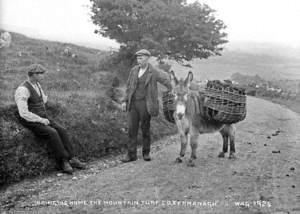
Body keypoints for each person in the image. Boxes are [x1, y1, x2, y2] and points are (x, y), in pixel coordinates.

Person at [14, 64, 86, 174]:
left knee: (61, 130)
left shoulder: (37, 85)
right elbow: (23, 113)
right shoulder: (22, 89)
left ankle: (72, 158)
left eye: (42, 74)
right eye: (39, 74)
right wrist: (41, 120)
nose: (42, 76)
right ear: (32, 75)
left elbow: (43, 99)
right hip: (29, 120)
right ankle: (63, 161)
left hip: (42, 116)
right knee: (52, 133)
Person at [121, 49, 172, 162]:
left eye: (142, 58)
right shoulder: (134, 70)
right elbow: (129, 87)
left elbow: (166, 80)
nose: (139, 60)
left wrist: (170, 89)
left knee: (145, 128)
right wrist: (124, 101)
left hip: (146, 104)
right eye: (138, 58)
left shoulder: (153, 71)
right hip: (133, 103)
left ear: (147, 58)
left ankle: (146, 153)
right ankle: (131, 155)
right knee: (131, 129)